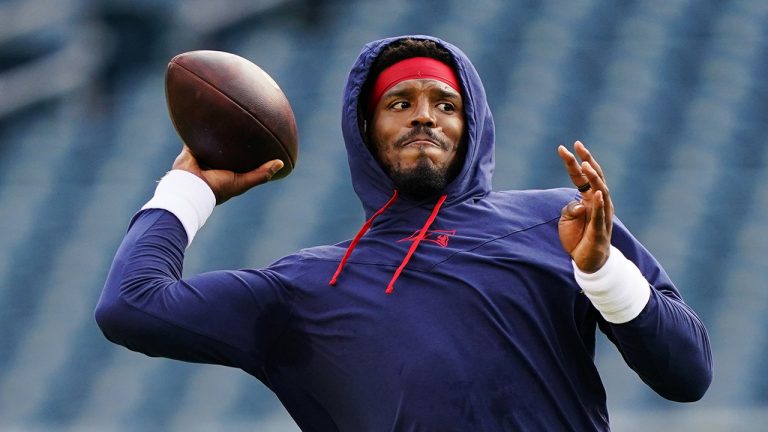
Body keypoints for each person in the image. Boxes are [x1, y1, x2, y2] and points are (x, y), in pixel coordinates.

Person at [96, 35, 712, 431]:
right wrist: (191, 188)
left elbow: (687, 376)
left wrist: (603, 273)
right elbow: (130, 306)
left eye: (445, 103)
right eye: (400, 103)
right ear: (365, 129)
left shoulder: (564, 221)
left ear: (470, 127)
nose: (424, 115)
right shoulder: (305, 287)